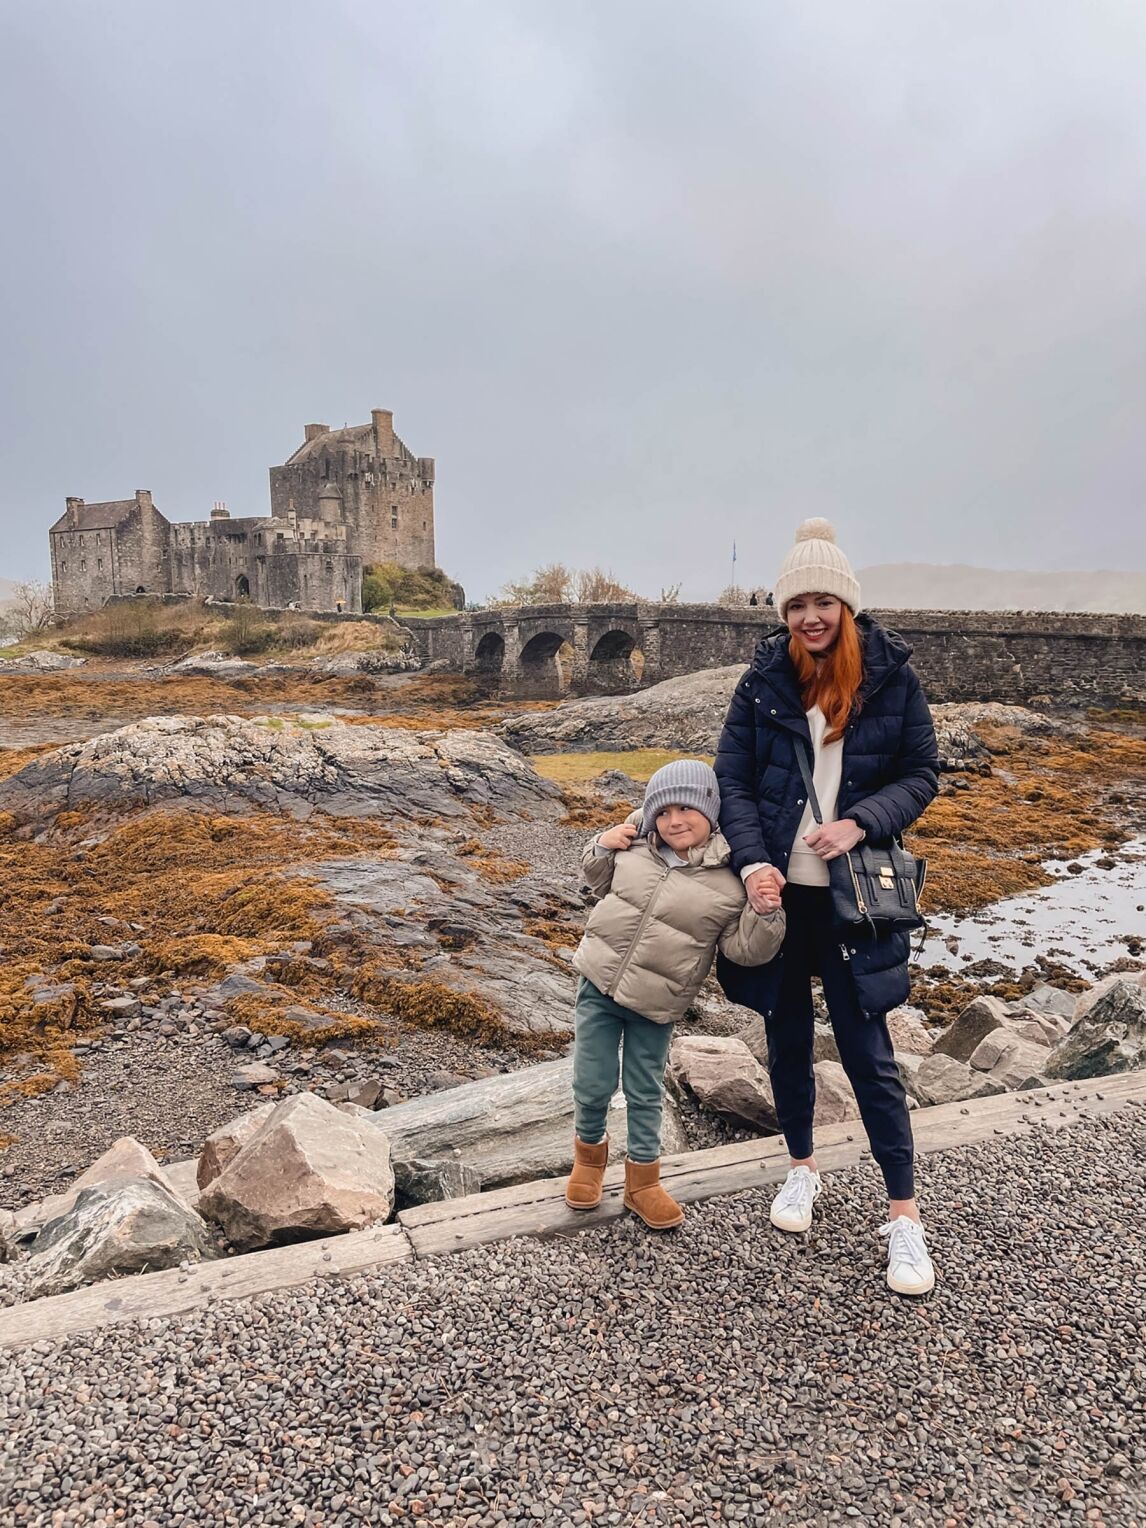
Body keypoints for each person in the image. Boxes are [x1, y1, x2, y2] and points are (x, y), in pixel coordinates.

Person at [714, 519, 940, 1295]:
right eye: (797, 604)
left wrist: (860, 821)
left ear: (846, 606)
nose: (810, 616)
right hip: (782, 904)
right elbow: (733, 783)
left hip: (856, 903)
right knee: (786, 1043)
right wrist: (751, 864)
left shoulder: (891, 679)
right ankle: (802, 1169)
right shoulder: (761, 684)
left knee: (869, 1056)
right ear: (782, 613)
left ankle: (903, 1217)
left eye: (824, 602)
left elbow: (920, 773)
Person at [565, 760, 785, 1229]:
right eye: (663, 811)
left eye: (687, 808)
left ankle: (643, 1181)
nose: (674, 821)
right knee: (592, 1080)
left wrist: (766, 914)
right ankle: (587, 1163)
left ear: (710, 810)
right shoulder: (634, 846)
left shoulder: (730, 882)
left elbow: (745, 951)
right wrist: (601, 844)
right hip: (598, 983)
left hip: (657, 1004)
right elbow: (594, 876)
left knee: (645, 1090)